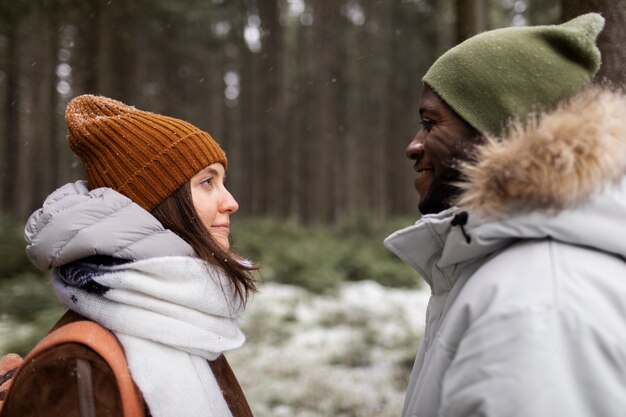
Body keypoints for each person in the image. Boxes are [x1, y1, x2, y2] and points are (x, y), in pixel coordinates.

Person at [384, 13, 626, 417]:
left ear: (498, 132)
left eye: (431, 123)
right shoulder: (511, 274)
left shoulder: (538, 304)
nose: (413, 145)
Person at [1, 95, 257, 417]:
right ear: (155, 202)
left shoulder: (187, 325)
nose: (230, 201)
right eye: (207, 182)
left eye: (222, 181)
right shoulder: (78, 365)